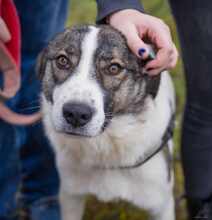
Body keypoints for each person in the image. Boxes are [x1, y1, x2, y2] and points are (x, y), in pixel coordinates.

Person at [2, 0, 209, 219]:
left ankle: (40, 194)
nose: (77, 106)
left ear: (149, 81)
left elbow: (162, 210)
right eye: (63, 61)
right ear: (43, 66)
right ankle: (29, 199)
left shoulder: (154, 101)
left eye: (113, 68)